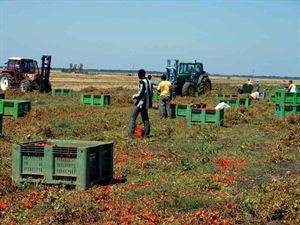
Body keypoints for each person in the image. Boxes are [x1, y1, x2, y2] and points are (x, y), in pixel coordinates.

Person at [128, 69, 152, 138]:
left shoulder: (142, 82)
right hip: (147, 103)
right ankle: (146, 134)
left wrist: (134, 96)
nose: (138, 75)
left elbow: (141, 93)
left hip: (141, 102)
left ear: (140, 74)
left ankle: (130, 135)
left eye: (138, 74)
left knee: (132, 117)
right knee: (145, 118)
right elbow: (150, 92)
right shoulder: (149, 81)